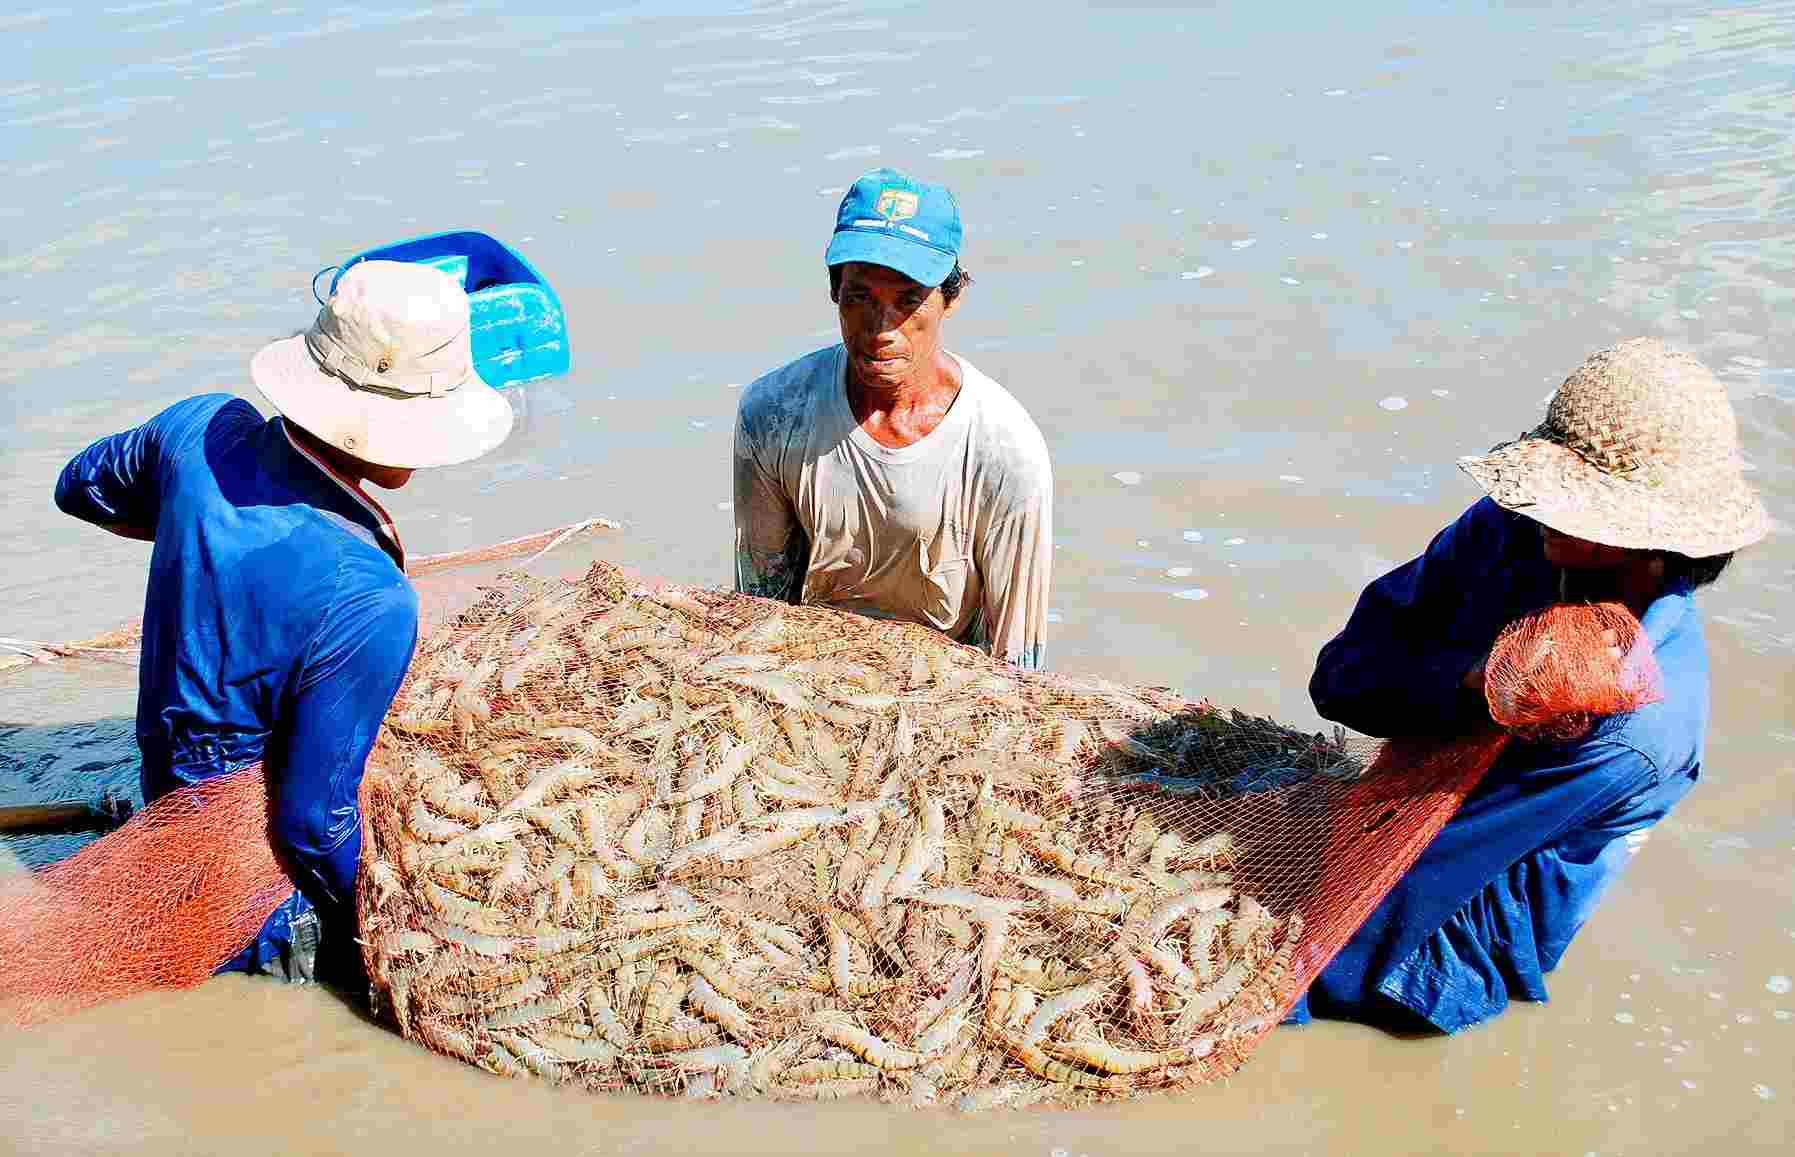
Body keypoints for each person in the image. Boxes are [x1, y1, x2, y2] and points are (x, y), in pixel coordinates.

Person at [54, 260, 515, 982]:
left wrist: (201, 526)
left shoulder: (199, 431)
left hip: (166, 798)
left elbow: (80, 488)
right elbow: (310, 823)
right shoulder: (370, 595)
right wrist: (391, 922)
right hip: (257, 890)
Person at [1293, 337, 1771, 1032]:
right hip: (1410, 784)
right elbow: (1340, 681)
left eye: (1570, 511)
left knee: (1340, 988)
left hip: (1460, 916)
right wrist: (1473, 681)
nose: (1539, 515)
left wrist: (1274, 967)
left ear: (1647, 541)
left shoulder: (1639, 731)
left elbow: (1417, 882)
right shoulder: (1507, 530)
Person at [732, 167, 1054, 669]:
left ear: (951, 299)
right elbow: (760, 600)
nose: (881, 329)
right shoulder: (774, 414)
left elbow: (1018, 655)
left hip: (949, 681)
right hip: (811, 663)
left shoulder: (1004, 448)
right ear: (835, 291)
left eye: (908, 301)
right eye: (861, 296)